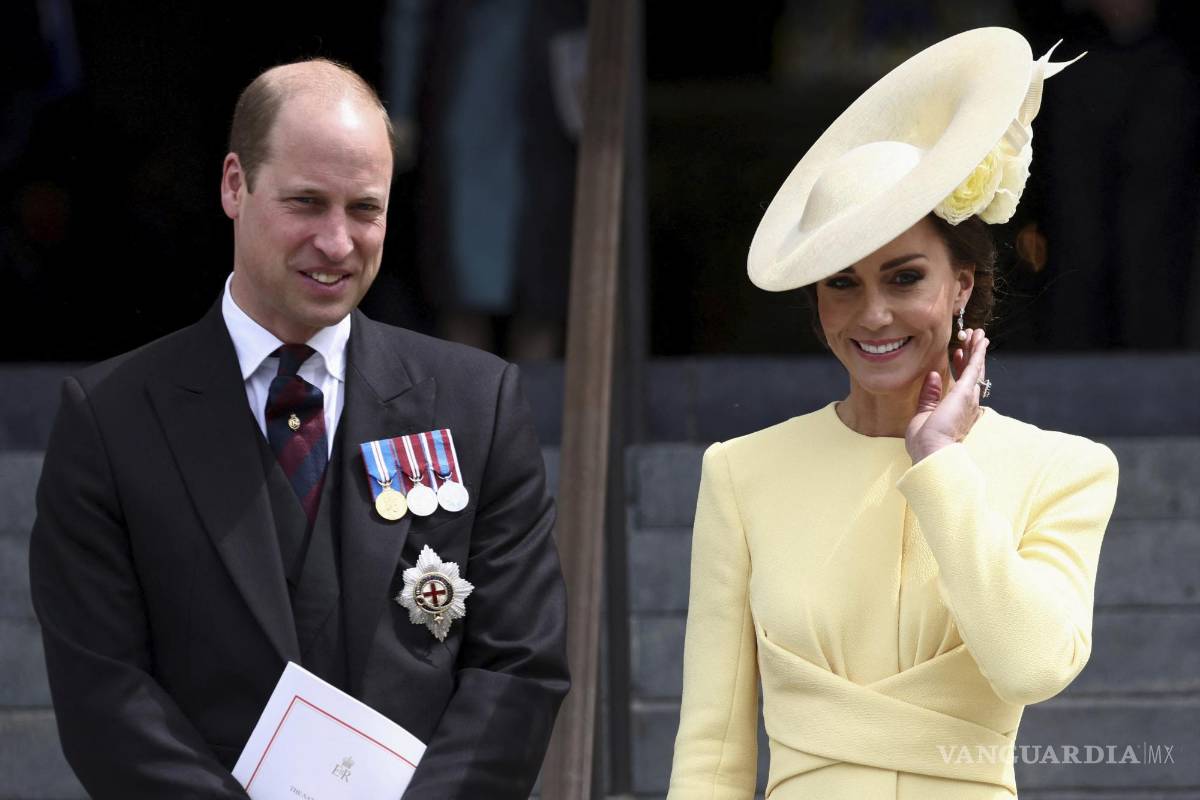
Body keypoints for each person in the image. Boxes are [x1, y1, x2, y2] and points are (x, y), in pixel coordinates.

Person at [28, 58, 568, 798]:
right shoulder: (111, 420)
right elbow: (105, 693)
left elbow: (518, 665)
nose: (338, 242)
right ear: (233, 186)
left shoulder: (478, 403)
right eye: (307, 203)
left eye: (365, 209)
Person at [667, 29, 1119, 799]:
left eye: (904, 277)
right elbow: (712, 749)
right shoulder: (740, 472)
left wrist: (941, 464)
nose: (873, 314)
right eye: (843, 284)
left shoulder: (1065, 469)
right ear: (817, 302)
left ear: (961, 287)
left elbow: (1035, 665)